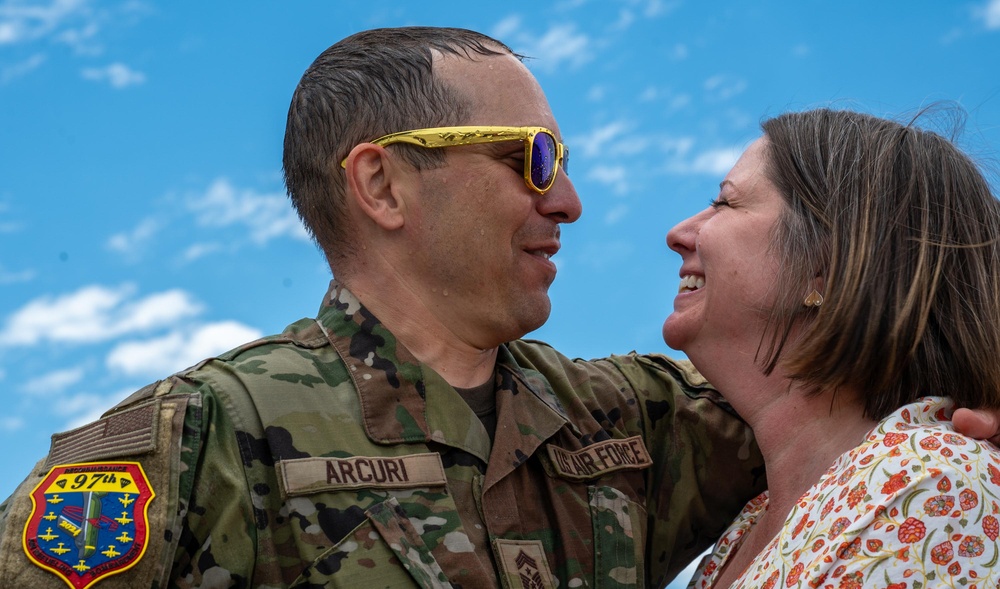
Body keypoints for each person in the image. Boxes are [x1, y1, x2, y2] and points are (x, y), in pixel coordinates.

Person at [0, 27, 765, 589]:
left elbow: (853, 383)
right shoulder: (202, 446)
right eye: (530, 157)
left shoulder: (633, 423)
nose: (566, 201)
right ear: (381, 185)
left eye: (561, 165)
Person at [667, 108, 1000, 588]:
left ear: (825, 262)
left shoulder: (931, 485)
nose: (678, 234)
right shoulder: (753, 522)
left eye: (724, 204)